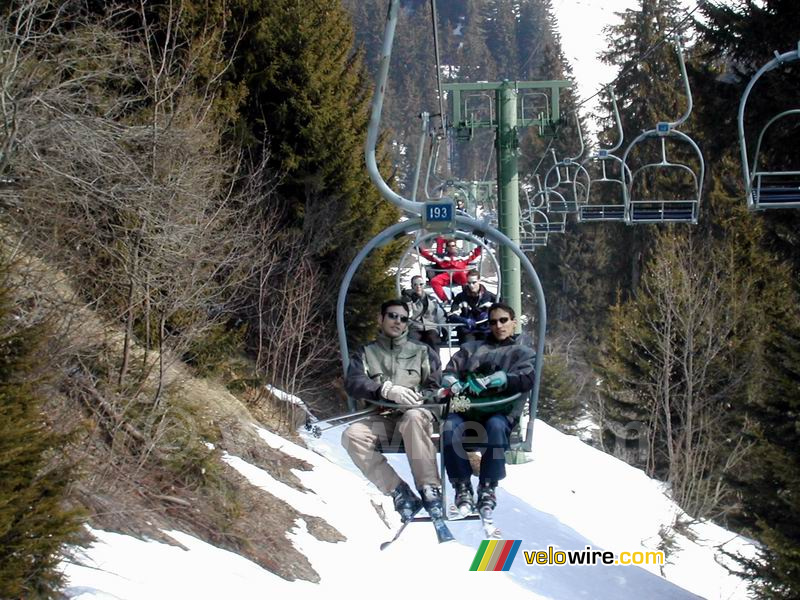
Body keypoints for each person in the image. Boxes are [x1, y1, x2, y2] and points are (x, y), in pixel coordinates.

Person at [341, 299, 446, 523]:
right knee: (352, 436)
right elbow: (354, 382)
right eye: (392, 316)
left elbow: (437, 385)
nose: (398, 322)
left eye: (403, 318)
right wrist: (385, 390)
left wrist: (421, 398)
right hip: (383, 418)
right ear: (381, 318)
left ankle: (430, 487)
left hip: (416, 416)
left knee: (413, 417)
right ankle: (399, 492)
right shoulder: (367, 353)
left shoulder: (422, 352)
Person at [438, 302, 536, 516]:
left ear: (513, 322)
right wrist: (451, 381)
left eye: (503, 321)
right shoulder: (472, 349)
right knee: (450, 426)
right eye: (493, 322)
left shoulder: (522, 353)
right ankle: (461, 484)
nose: (499, 326)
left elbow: (527, 379)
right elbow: (449, 371)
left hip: (500, 411)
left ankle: (488, 486)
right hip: (468, 410)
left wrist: (504, 379)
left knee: (496, 426)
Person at [447, 269, 497, 344]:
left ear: (479, 281)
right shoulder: (461, 297)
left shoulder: (490, 297)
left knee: (487, 346)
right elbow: (452, 315)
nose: (471, 286)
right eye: (469, 283)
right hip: (467, 330)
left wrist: (488, 316)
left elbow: (501, 312)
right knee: (468, 346)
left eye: (474, 282)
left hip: (485, 330)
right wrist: (464, 320)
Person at [401, 275, 447, 349]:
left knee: (433, 339)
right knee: (413, 342)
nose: (418, 287)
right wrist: (412, 301)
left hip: (431, 327)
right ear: (412, 286)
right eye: (415, 284)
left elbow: (441, 314)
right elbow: (409, 315)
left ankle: (435, 360)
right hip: (415, 327)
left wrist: (445, 330)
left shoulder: (432, 299)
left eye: (421, 284)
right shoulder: (408, 299)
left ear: (424, 285)